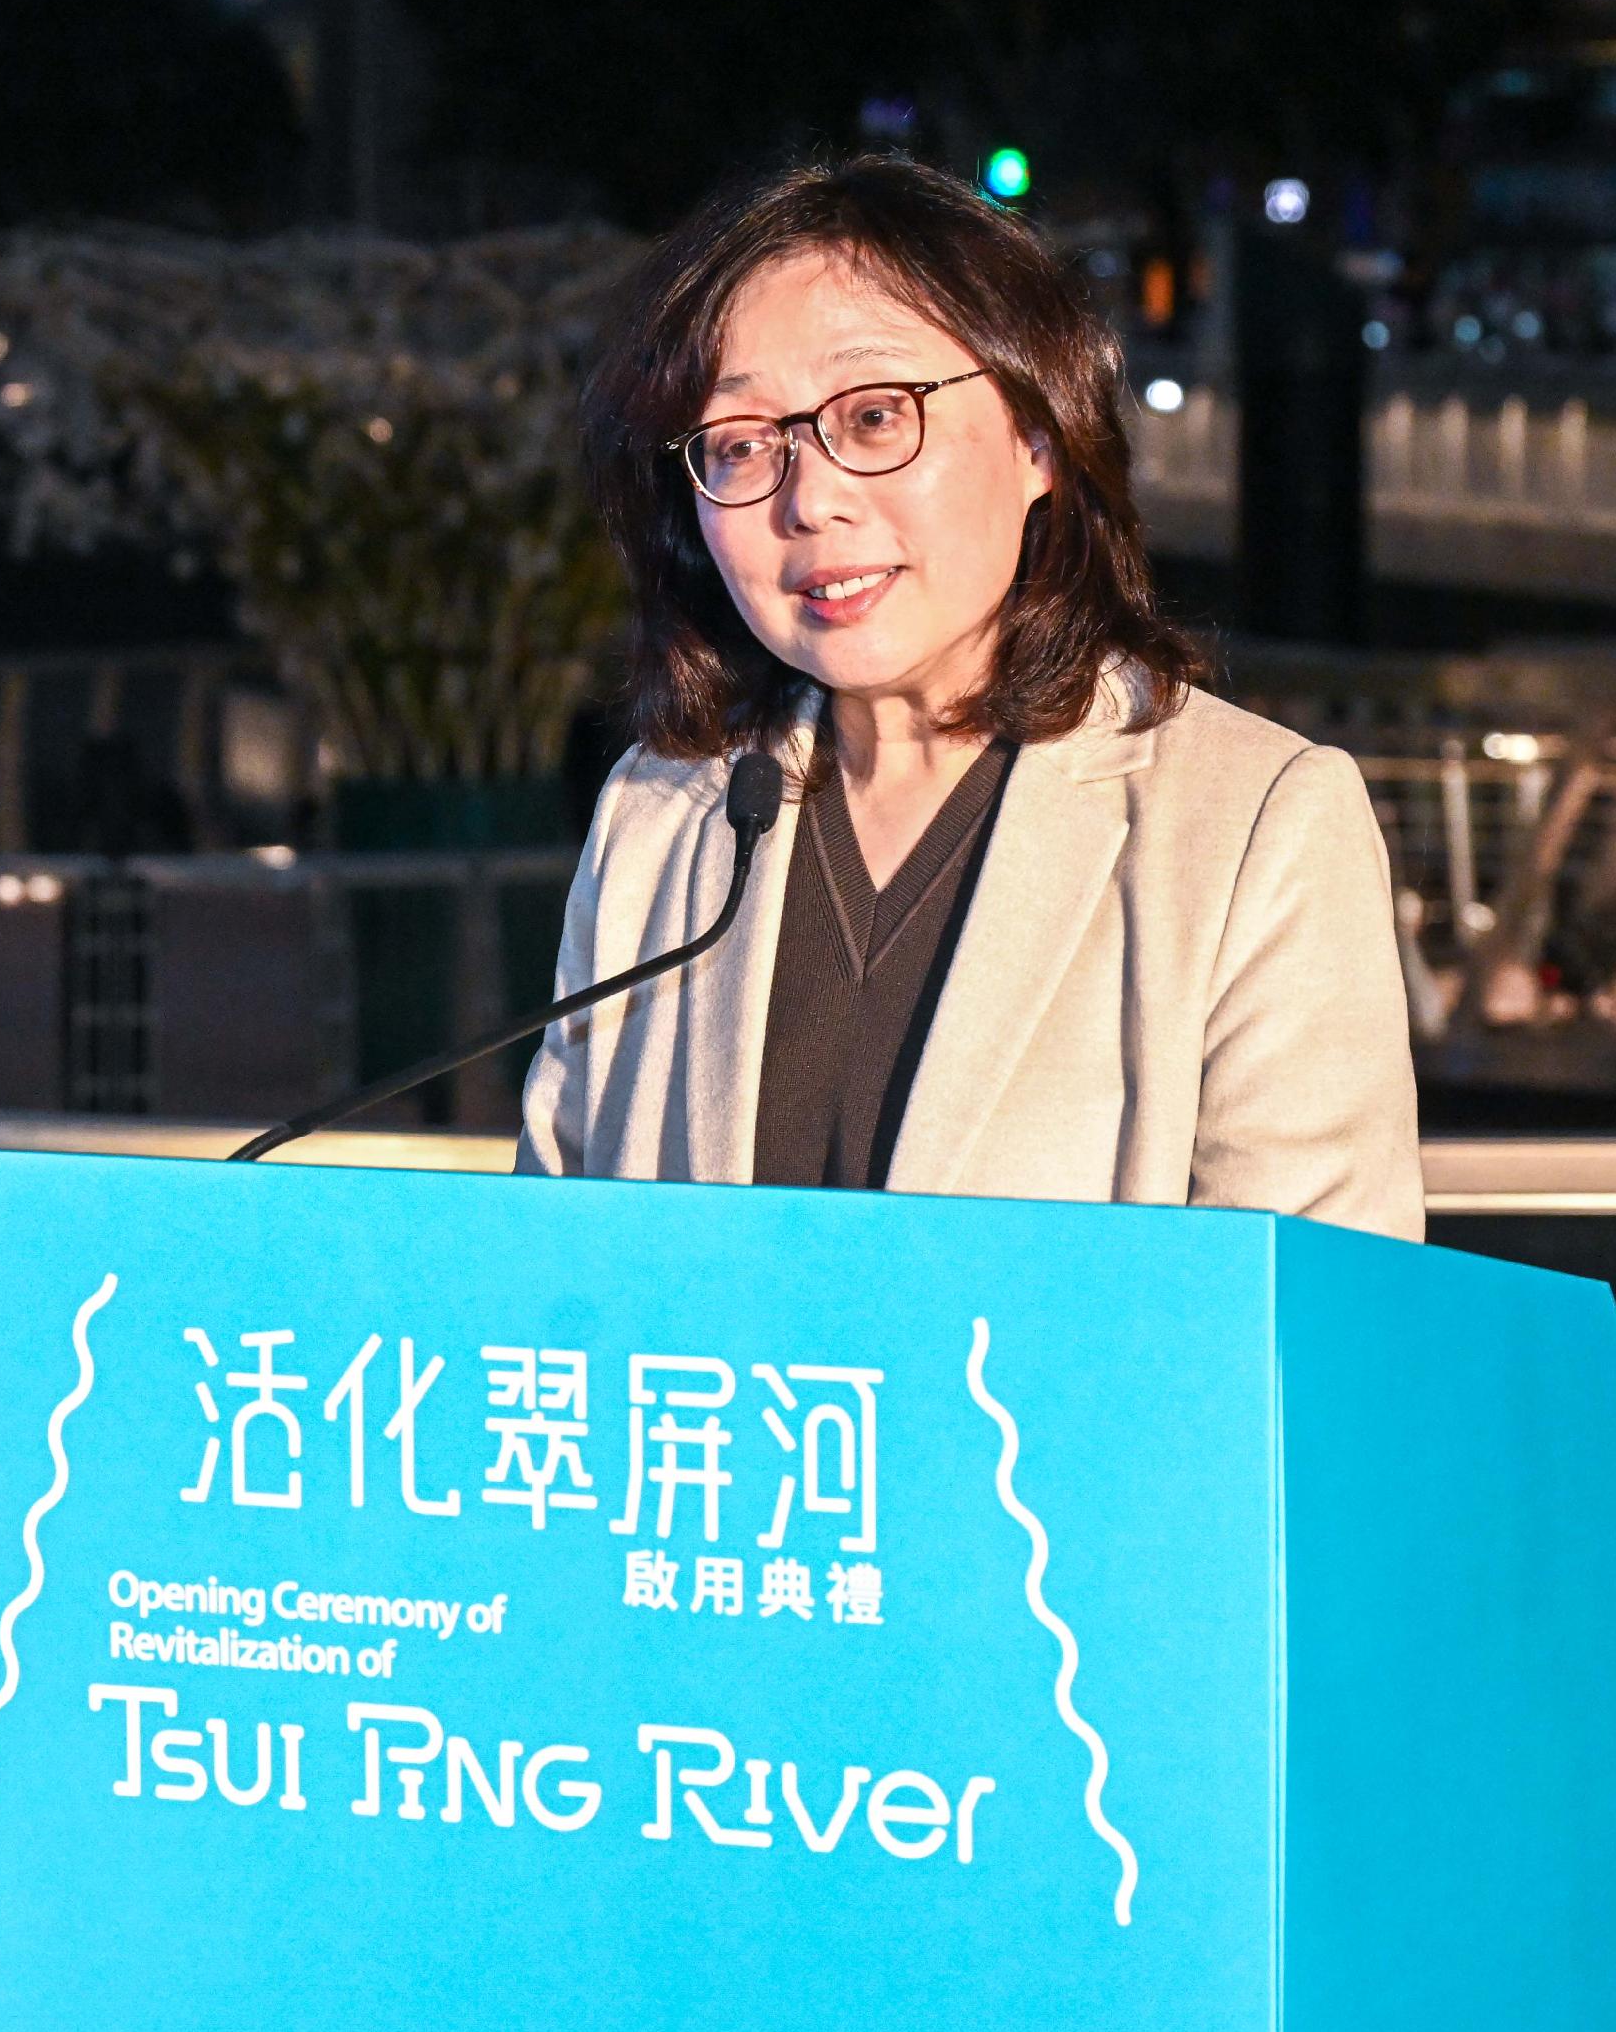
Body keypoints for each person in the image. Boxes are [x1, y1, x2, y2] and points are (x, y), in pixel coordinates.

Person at [517, 154, 1424, 1241]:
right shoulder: (663, 810)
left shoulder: (1252, 825)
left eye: (873, 417)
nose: (810, 500)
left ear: (1038, 434)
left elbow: (1302, 1341)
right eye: (742, 442)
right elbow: (560, 1287)